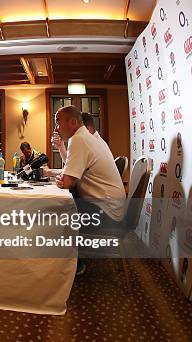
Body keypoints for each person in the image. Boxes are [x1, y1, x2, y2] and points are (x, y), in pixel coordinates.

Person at [53, 106, 126, 275]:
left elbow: (67, 181)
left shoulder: (79, 139)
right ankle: (74, 258)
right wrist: (66, 178)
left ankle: (73, 265)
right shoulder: (88, 137)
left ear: (72, 122)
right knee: (67, 205)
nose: (56, 127)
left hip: (108, 213)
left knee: (58, 214)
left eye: (58, 122)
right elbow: (70, 175)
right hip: (114, 208)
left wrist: (64, 179)